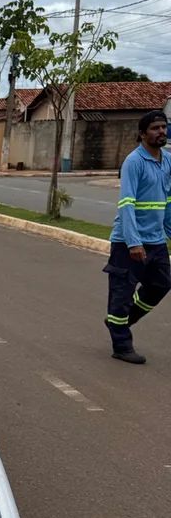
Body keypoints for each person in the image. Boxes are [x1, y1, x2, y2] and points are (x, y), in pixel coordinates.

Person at [104, 110, 171, 364]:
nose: (161, 132)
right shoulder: (134, 162)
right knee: (122, 293)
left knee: (161, 285)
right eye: (155, 128)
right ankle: (121, 344)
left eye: (163, 127)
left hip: (156, 241)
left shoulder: (167, 162)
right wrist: (133, 242)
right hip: (128, 242)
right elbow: (127, 204)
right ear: (143, 134)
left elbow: (168, 200)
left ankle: (119, 322)